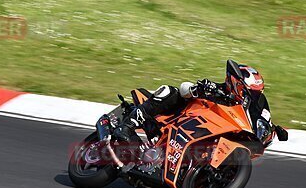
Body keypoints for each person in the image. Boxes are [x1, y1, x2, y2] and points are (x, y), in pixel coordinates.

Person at [112, 62, 287, 148]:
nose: (251, 95)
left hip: (205, 132)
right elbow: (185, 89)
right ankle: (126, 126)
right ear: (237, 83)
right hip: (179, 118)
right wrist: (198, 89)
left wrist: (272, 129)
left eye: (255, 93)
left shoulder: (242, 109)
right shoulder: (217, 89)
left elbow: (257, 115)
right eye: (249, 91)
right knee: (169, 91)